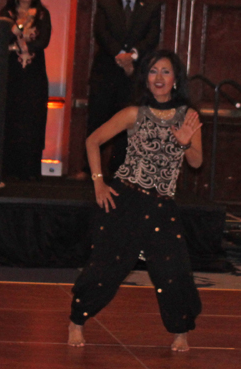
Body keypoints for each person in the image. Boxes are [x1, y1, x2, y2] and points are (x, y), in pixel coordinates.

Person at [67, 50, 203, 352]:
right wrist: (98, 183)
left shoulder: (188, 117)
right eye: (153, 71)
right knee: (106, 269)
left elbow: (196, 162)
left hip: (161, 205)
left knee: (174, 270)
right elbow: (93, 141)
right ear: (146, 77)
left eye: (166, 72)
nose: (159, 78)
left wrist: (186, 143)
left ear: (176, 79)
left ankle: (180, 331)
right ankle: (77, 321)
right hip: (125, 200)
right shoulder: (134, 113)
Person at [71, 0, 161, 180]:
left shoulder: (152, 5)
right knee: (97, 120)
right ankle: (89, 170)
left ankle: (120, 170)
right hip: (105, 74)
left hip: (133, 76)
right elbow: (101, 32)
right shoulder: (106, 3)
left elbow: (152, 37)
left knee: (127, 124)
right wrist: (120, 55)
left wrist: (132, 56)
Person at [0, 0, 51, 181]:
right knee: (10, 117)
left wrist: (17, 45)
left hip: (33, 77)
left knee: (32, 120)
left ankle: (30, 171)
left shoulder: (42, 14)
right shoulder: (5, 13)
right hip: (11, 76)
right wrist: (18, 40)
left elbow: (43, 41)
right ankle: (7, 170)